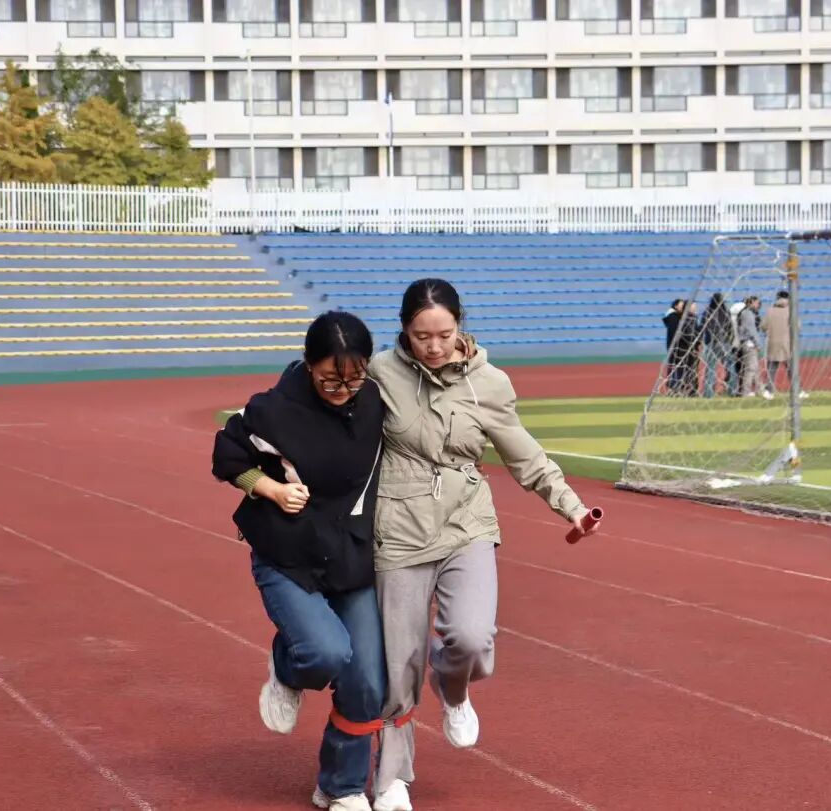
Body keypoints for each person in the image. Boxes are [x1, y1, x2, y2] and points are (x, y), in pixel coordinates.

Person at [368, 279, 600, 811]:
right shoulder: (380, 373)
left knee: (471, 639)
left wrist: (569, 505)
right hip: (398, 528)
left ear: (460, 326)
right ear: (403, 330)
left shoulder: (489, 383)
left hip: (466, 522)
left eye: (444, 334)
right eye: (421, 336)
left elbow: (524, 454)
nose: (434, 346)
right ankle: (392, 777)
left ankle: (453, 689)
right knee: (398, 661)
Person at [211, 312, 387, 811]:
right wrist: (270, 489)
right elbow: (227, 458)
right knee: (325, 654)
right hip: (288, 553)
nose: (343, 390)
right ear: (309, 365)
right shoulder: (274, 409)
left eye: (354, 379)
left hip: (351, 555)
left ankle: (341, 786)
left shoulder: (376, 399)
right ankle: (288, 665)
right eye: (330, 379)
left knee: (367, 679)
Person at [700, 292, 735, 398]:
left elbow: (702, 327)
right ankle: (732, 390)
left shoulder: (707, 312)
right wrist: (730, 341)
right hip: (725, 343)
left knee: (710, 368)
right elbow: (730, 328)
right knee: (730, 366)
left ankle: (708, 393)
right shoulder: (726, 312)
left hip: (712, 343)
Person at [760, 290, 791, 400]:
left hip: (773, 343)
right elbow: (797, 326)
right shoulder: (791, 311)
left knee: (772, 369)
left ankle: (769, 391)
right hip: (787, 343)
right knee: (791, 368)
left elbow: (763, 326)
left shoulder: (770, 310)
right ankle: (797, 390)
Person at [737, 296, 763, 397]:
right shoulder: (747, 314)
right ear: (751, 302)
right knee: (751, 369)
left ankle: (760, 390)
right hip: (749, 344)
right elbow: (751, 331)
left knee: (755, 369)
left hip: (748, 343)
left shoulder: (747, 313)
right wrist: (758, 344)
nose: (758, 305)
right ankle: (746, 392)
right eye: (757, 303)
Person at [662, 299, 686, 394]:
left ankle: (674, 387)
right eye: (681, 304)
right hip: (676, 346)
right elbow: (674, 333)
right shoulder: (673, 317)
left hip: (674, 346)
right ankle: (673, 388)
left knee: (675, 367)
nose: (683, 306)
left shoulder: (675, 317)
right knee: (675, 367)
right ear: (675, 306)